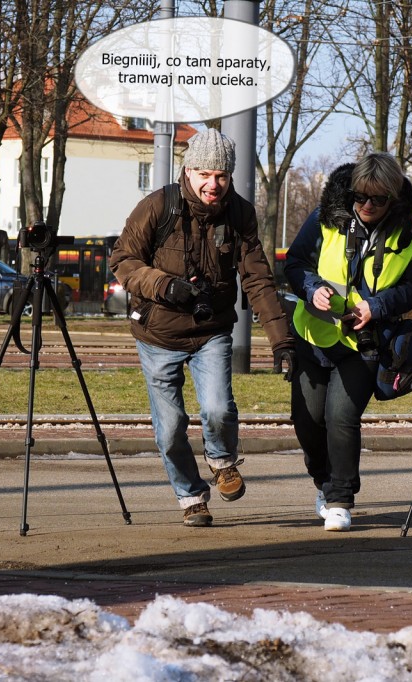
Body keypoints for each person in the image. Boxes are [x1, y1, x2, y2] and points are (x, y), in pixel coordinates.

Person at [110, 128, 296, 527]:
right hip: (157, 335)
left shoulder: (240, 214)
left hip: (210, 330)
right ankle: (190, 496)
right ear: (188, 171)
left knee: (217, 408)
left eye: (222, 176)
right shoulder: (158, 206)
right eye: (204, 174)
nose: (214, 184)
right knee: (171, 428)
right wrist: (165, 285)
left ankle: (222, 460)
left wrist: (282, 341)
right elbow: (123, 262)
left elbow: (258, 280)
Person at [284, 151, 412, 532]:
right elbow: (294, 264)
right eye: (360, 197)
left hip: (366, 342)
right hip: (314, 335)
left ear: (393, 198)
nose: (366, 205)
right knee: (307, 419)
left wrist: (376, 306)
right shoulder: (324, 218)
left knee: (341, 417)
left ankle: (340, 499)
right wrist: (312, 288)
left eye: (377, 200)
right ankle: (324, 482)